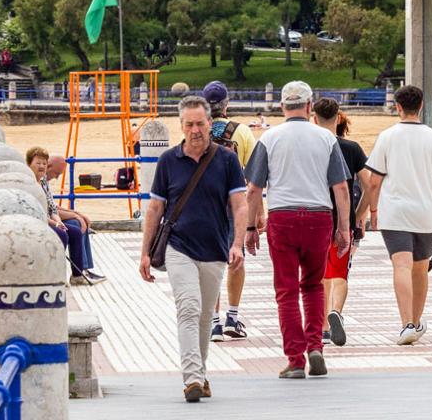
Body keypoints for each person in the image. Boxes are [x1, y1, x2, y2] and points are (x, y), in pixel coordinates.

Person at [141, 95, 247, 403]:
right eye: (189, 124)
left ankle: (200, 372)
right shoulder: (169, 161)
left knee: (203, 316)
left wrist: (237, 243)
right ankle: (191, 379)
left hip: (215, 248)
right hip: (179, 246)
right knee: (188, 307)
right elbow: (155, 209)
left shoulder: (227, 161)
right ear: (181, 126)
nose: (195, 130)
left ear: (210, 124)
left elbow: (240, 206)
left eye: (200, 123)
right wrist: (145, 252)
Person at [245, 82, 350, 379]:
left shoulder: (270, 138)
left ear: (281, 107)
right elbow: (340, 187)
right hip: (319, 218)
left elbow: (254, 189)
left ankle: (295, 359)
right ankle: (315, 346)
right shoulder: (326, 139)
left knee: (287, 291)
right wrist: (344, 229)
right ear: (309, 107)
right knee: (314, 286)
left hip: (283, 217)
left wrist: (251, 227)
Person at [365, 84, 432, 345]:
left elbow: (373, 181)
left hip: (394, 212)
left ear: (398, 107)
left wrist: (373, 209)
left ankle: (405, 323)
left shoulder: (387, 136)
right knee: (420, 268)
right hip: (425, 213)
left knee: (401, 265)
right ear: (422, 105)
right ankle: (416, 322)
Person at [202, 80, 258, 342]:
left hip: (205, 206)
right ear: (227, 104)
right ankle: (232, 318)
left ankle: (213, 323)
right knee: (236, 260)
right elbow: (255, 177)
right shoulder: (243, 132)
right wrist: (257, 216)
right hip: (234, 205)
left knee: (210, 264)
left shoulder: (195, 130)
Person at [315, 104, 371, 347]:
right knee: (340, 272)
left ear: (313, 119)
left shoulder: (311, 146)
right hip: (343, 219)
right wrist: (360, 215)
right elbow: (370, 186)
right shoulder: (351, 148)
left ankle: (323, 327)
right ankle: (336, 311)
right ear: (338, 118)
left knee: (319, 274)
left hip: (316, 218)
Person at [37, 151, 106, 285]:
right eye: (57, 174)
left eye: (43, 164)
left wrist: (76, 214)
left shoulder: (43, 181)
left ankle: (82, 270)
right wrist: (72, 217)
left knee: (77, 223)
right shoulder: (36, 181)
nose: (56, 178)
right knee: (75, 225)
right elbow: (45, 210)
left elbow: (52, 206)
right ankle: (78, 271)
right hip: (43, 220)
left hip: (50, 217)